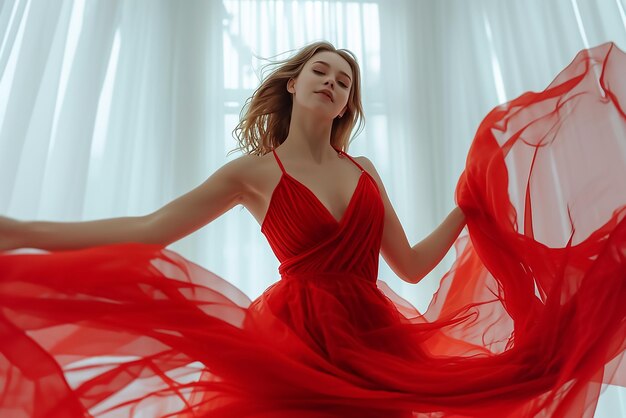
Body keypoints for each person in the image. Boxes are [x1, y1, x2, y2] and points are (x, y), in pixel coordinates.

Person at [0, 40, 624, 418]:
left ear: (347, 104)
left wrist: (469, 204)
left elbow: (408, 266)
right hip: (295, 342)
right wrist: (22, 228)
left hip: (377, 344)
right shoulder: (253, 173)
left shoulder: (365, 170)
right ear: (293, 84)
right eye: (321, 72)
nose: (332, 82)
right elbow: (150, 229)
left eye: (345, 80)